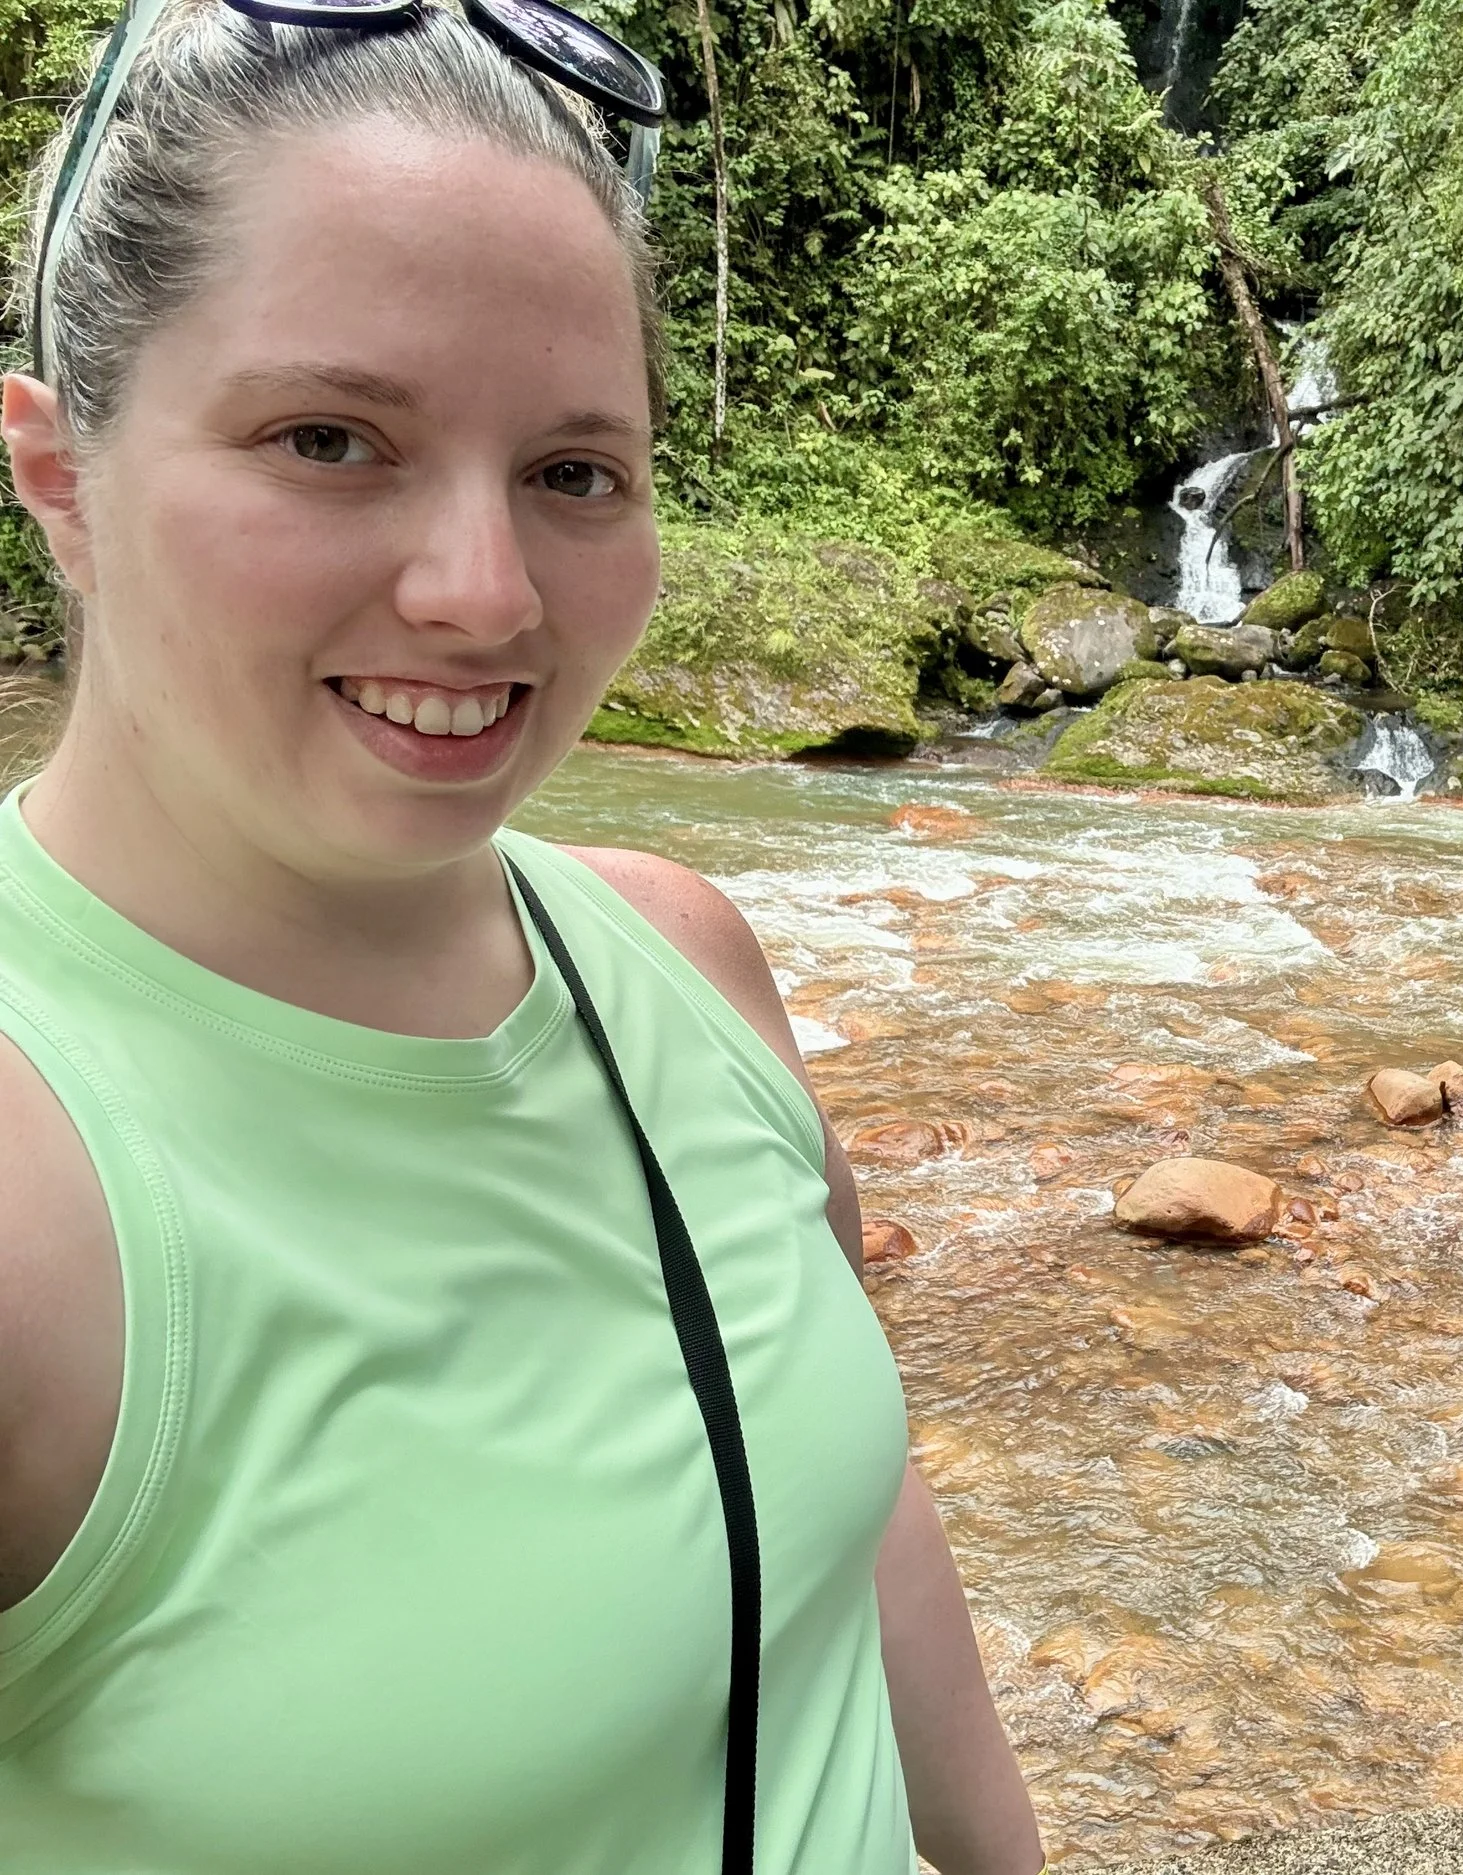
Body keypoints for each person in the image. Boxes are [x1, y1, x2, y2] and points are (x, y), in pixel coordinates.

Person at [0, 2, 1041, 1870]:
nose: (483, 596)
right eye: (331, 437)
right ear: (57, 473)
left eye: (575, 473)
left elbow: (848, 1538)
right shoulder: (29, 1197)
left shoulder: (689, 967)